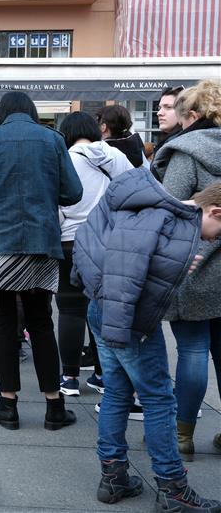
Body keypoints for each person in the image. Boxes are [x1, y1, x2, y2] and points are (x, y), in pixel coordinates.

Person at [72, 170, 221, 512]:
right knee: (158, 399)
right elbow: (126, 271)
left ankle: (114, 478)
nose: (213, 241)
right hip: (125, 318)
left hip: (105, 309)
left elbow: (111, 252)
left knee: (118, 391)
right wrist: (124, 329)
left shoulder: (155, 211)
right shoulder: (167, 220)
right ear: (215, 212)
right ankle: (174, 490)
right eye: (219, 233)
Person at [0, 91, 83, 431]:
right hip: (41, 242)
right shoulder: (52, 139)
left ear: (1, 113)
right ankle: (54, 406)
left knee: (3, 322)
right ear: (32, 112)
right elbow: (73, 193)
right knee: (41, 322)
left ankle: (7, 404)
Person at [151, 80, 221, 461]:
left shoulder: (185, 153)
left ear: (192, 115)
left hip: (194, 267)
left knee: (193, 350)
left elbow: (169, 209)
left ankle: (183, 433)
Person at [56, 112, 133, 397]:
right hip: (109, 241)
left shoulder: (65, 160)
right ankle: (103, 374)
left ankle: (69, 377)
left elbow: (57, 205)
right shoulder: (116, 157)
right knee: (101, 308)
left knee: (69, 308)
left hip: (70, 241)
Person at [151, 85, 185, 178]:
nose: (159, 113)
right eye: (159, 108)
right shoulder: (170, 141)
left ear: (184, 111)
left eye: (168, 107)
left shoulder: (181, 147)